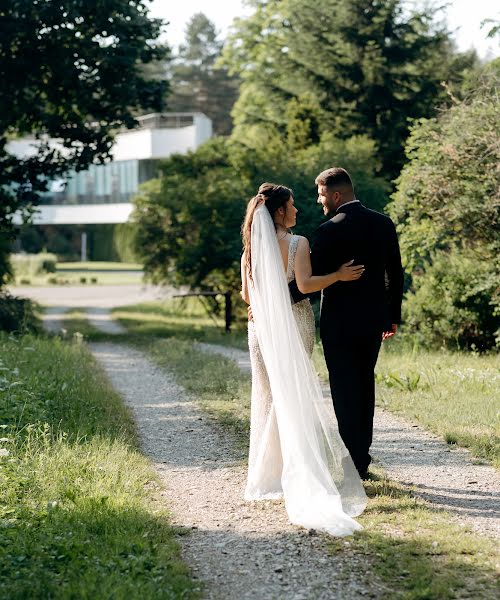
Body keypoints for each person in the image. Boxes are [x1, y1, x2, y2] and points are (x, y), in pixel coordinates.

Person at [240, 182, 367, 537]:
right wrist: (338, 276)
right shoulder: (298, 243)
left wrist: (265, 307)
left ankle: (267, 474)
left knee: (268, 395)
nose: (298, 210)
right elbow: (307, 285)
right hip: (295, 323)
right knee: (291, 394)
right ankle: (292, 470)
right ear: (280, 212)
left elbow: (248, 295)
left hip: (261, 331)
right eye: (293, 206)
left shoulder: (249, 250)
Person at [310, 167, 404, 479]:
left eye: (322, 194)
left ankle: (352, 463)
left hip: (338, 324)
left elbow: (311, 280)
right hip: (374, 321)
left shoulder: (327, 231)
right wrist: (392, 317)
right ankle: (361, 459)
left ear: (336, 195)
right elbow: (395, 274)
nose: (319, 200)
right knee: (364, 386)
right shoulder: (383, 223)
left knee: (343, 390)